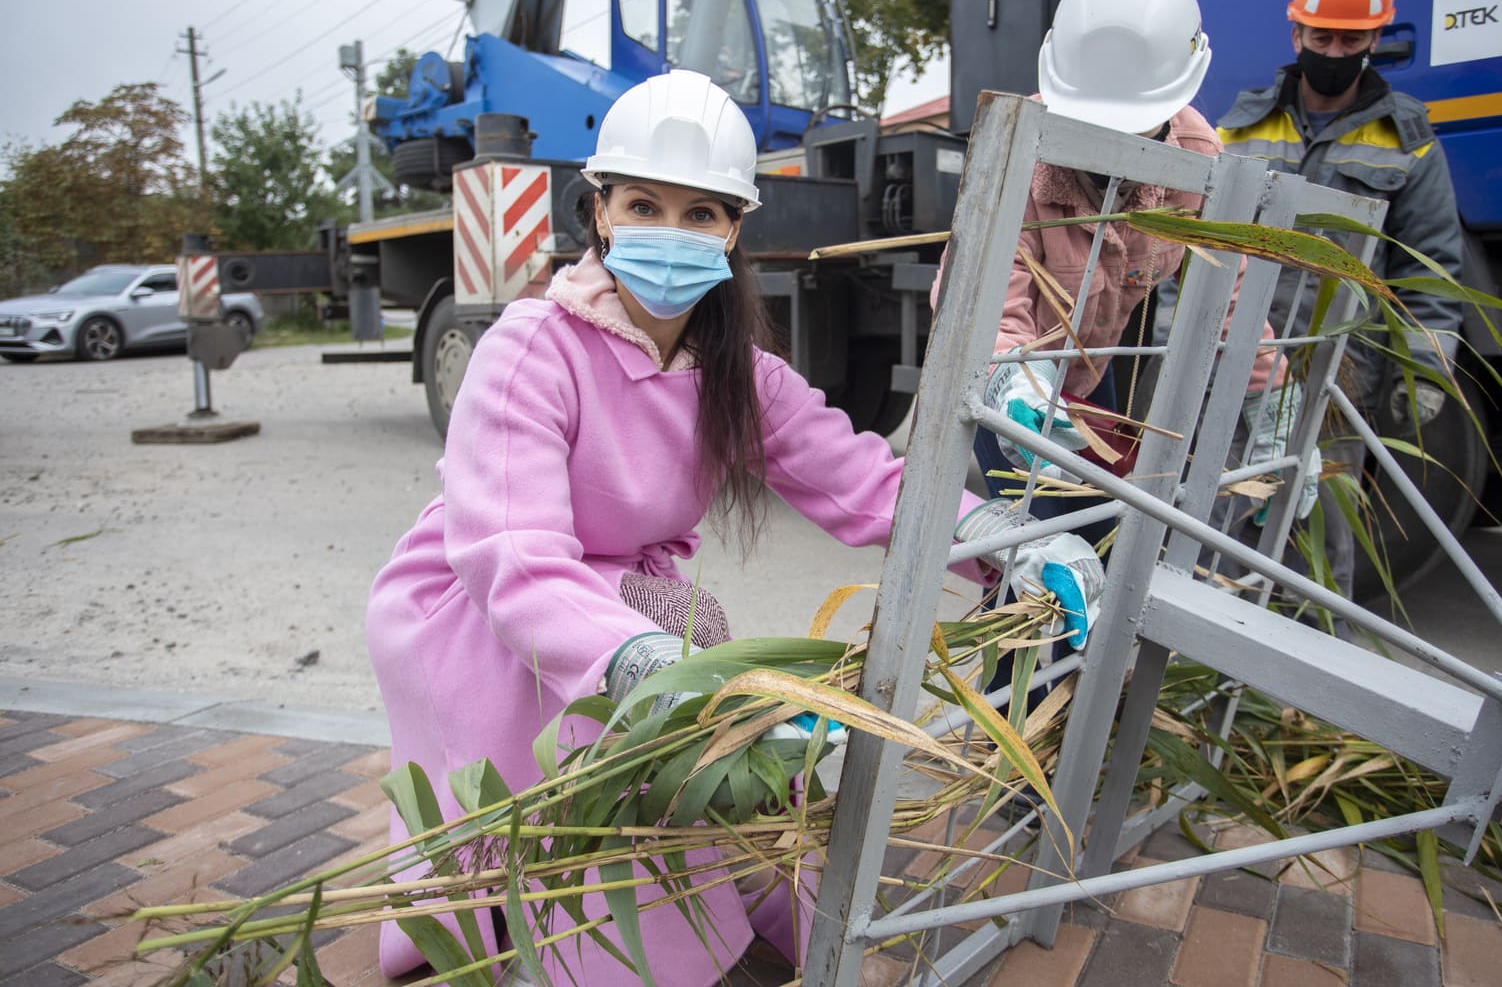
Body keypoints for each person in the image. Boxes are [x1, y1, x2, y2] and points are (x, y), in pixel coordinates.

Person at [364, 69, 1103, 986]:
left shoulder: (734, 371)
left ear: (736, 229)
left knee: (703, 750)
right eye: (644, 204)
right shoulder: (529, 347)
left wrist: (1011, 539)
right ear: (599, 212)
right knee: (578, 793)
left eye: (703, 213)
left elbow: (867, 480)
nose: (673, 234)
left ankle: (675, 934)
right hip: (484, 607)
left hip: (620, 606)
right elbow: (511, 554)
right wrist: (642, 663)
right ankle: (581, 953)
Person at [932, 0, 1315, 691]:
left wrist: (1271, 393)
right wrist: (1013, 376)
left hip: (1089, 375)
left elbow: (1227, 286)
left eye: (1132, 127)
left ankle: (1058, 714)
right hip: (1006, 383)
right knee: (1047, 541)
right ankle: (1018, 735)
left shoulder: (1197, 164)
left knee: (1101, 534)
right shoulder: (1021, 151)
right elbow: (987, 297)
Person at [1216, 0, 1465, 596]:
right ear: (1295, 32)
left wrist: (1428, 368)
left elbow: (1431, 267)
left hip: (1336, 378)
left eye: (1350, 39)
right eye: (1321, 36)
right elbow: (1197, 248)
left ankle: (1300, 690)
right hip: (1238, 361)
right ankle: (1207, 681)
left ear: (1376, 39)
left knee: (1317, 542)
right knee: (1220, 521)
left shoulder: (1406, 139)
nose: (1333, 49)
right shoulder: (1240, 127)